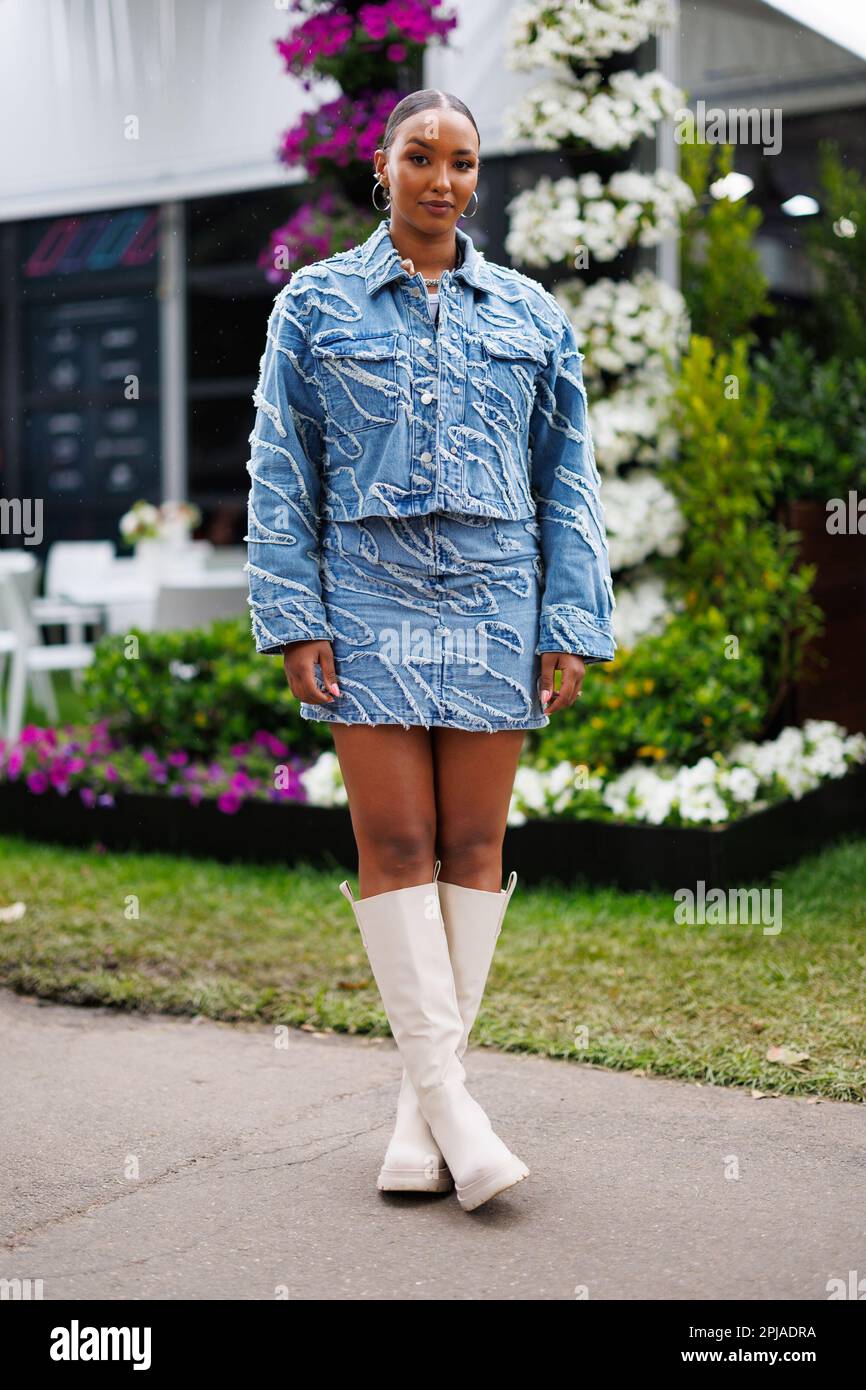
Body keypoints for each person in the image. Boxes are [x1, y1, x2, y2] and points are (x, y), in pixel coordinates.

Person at [245, 89, 617, 1212]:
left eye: (459, 161)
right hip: (364, 595)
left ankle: (421, 1106)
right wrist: (294, 613)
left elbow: (567, 476)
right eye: (420, 157)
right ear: (383, 165)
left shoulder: (529, 314)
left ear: (473, 177)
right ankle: (456, 1108)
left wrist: (566, 621)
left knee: (471, 841)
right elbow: (280, 467)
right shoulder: (311, 305)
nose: (440, 180)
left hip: (498, 596)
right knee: (395, 836)